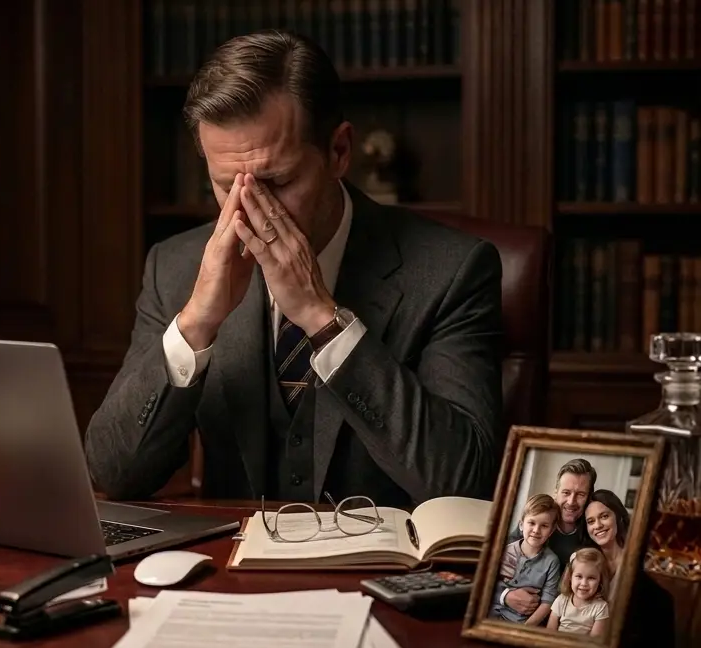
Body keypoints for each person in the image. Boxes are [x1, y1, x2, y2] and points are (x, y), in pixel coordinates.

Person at [83, 30, 504, 508]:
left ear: (339, 152)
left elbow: (466, 481)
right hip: (228, 571)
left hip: (382, 571)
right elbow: (113, 474)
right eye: (225, 186)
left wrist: (323, 319)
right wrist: (197, 323)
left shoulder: (453, 270)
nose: (247, 210)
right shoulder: (174, 266)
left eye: (277, 182)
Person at [503, 458, 596, 616]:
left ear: (588, 498)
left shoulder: (591, 533)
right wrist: (505, 596)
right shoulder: (535, 521)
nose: (571, 502)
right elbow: (498, 562)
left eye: (580, 494)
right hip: (511, 611)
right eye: (566, 493)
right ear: (556, 492)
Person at [491, 494, 561, 627]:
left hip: (522, 624)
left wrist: (525, 629)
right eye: (532, 523)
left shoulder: (552, 562)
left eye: (544, 526)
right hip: (492, 617)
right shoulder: (504, 551)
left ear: (551, 531)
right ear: (521, 525)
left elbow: (548, 601)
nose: (536, 530)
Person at [546, 547, 611, 637]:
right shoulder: (561, 600)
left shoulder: (601, 607)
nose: (584, 583)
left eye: (591, 578)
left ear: (600, 581)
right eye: (579, 576)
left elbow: (594, 642)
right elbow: (550, 633)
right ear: (570, 577)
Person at [585, 489, 630, 604]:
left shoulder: (632, 560)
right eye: (591, 521)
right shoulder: (586, 561)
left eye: (604, 516)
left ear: (618, 516)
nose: (598, 525)